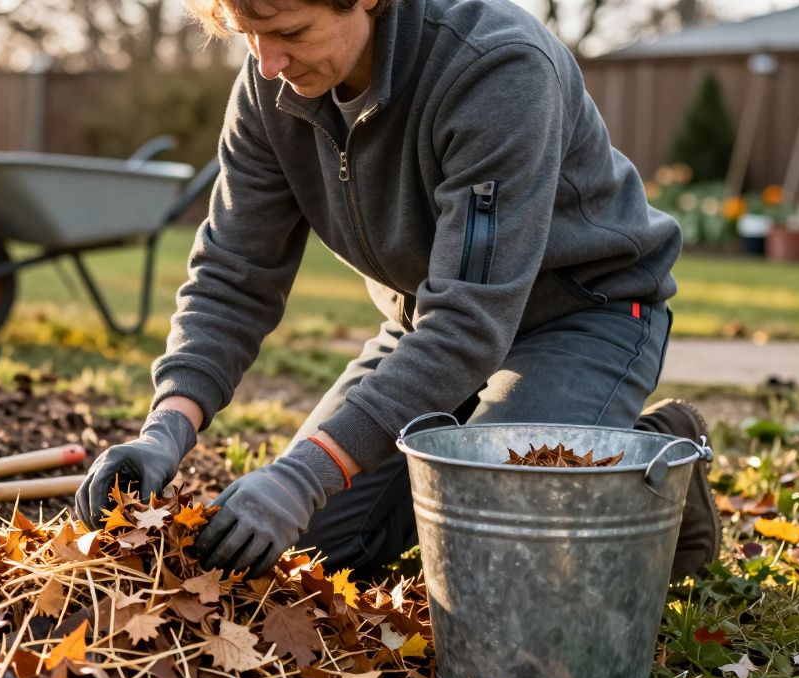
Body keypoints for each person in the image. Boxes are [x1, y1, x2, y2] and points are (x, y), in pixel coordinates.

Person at [73, 0, 719, 582]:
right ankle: (500, 447)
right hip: (427, 325)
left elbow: (470, 322)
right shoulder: (269, 91)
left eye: (291, 32)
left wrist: (303, 474)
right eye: (250, 37)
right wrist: (165, 430)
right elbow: (233, 275)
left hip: (583, 312)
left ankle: (650, 462)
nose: (269, 64)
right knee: (310, 542)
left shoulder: (495, 67)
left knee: (492, 559)